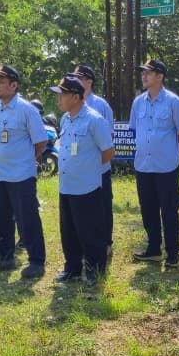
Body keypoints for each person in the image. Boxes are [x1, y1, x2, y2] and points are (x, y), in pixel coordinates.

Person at [0, 64, 49, 278]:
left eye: (1, 81)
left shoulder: (26, 109)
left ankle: (36, 261)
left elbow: (41, 142)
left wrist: (24, 161)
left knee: (26, 218)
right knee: (2, 218)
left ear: (14, 85)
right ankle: (6, 258)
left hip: (20, 173)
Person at [52, 75, 115, 285]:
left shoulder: (94, 120)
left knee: (90, 232)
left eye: (63, 95)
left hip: (87, 186)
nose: (58, 99)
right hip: (67, 185)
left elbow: (107, 152)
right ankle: (73, 268)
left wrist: (88, 169)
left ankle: (95, 271)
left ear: (77, 97)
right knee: (68, 231)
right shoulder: (65, 119)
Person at [128, 59, 179, 267]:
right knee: (148, 209)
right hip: (143, 165)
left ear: (160, 76)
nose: (144, 76)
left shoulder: (173, 101)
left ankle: (173, 253)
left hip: (166, 167)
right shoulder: (138, 102)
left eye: (149, 73)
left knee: (169, 210)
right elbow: (135, 129)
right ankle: (153, 249)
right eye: (142, 72)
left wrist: (174, 152)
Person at [72, 64, 115, 258]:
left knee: (102, 205)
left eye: (79, 77)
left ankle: (106, 241)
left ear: (89, 81)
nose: (75, 80)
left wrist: (97, 163)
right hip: (79, 169)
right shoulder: (71, 102)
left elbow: (108, 139)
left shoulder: (100, 105)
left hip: (99, 167)